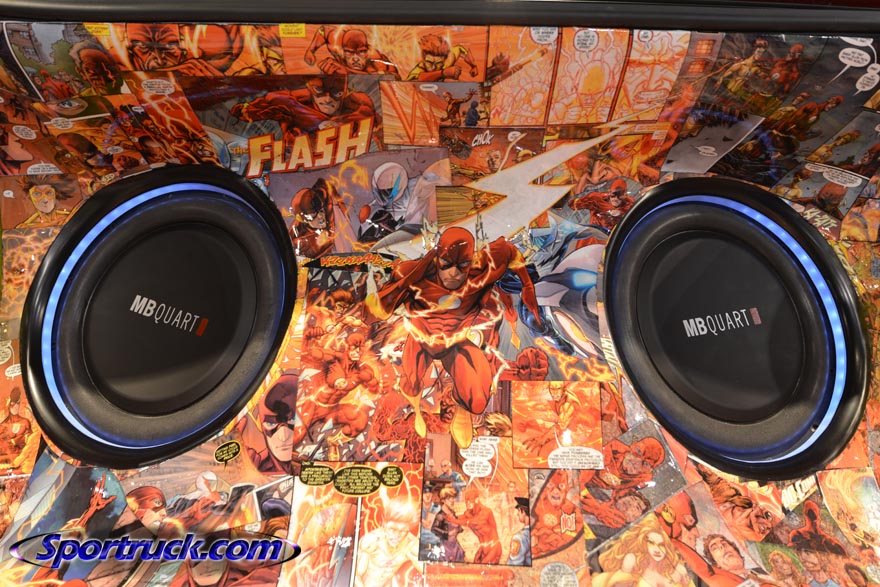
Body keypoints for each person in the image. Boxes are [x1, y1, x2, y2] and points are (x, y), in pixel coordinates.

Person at [507, 497, 531, 566]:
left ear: (523, 512)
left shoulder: (519, 538)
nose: (518, 514)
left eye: (519, 511)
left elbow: (514, 565)